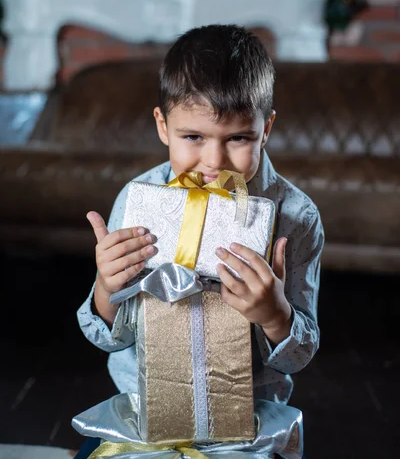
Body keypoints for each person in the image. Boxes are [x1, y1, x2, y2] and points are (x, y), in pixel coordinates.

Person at [76, 24, 324, 458]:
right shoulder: (137, 203)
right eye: (193, 137)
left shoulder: (295, 217)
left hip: (251, 421)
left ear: (265, 129)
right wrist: (106, 289)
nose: (213, 162)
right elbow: (110, 340)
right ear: (162, 125)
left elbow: (296, 356)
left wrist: (275, 313)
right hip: (143, 413)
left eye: (239, 139)